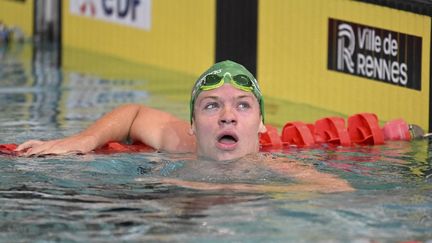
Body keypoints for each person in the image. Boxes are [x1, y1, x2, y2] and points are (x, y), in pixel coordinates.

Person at [16, 60, 354, 192]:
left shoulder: (284, 170)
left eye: (242, 105)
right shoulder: (182, 145)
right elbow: (134, 114)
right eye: (211, 105)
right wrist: (84, 140)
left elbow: (341, 193)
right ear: (192, 125)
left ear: (262, 125)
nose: (227, 115)